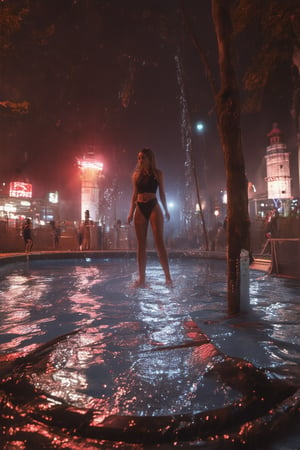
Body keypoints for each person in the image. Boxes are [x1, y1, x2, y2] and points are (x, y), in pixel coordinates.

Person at [127, 148, 172, 287]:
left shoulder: (158, 174)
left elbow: (163, 194)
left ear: (150, 159)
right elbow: (134, 195)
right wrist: (130, 212)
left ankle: (168, 278)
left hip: (153, 206)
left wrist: (166, 210)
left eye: (143, 158)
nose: (140, 160)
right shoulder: (135, 175)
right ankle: (142, 279)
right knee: (141, 245)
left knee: (159, 242)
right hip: (140, 207)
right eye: (139, 158)